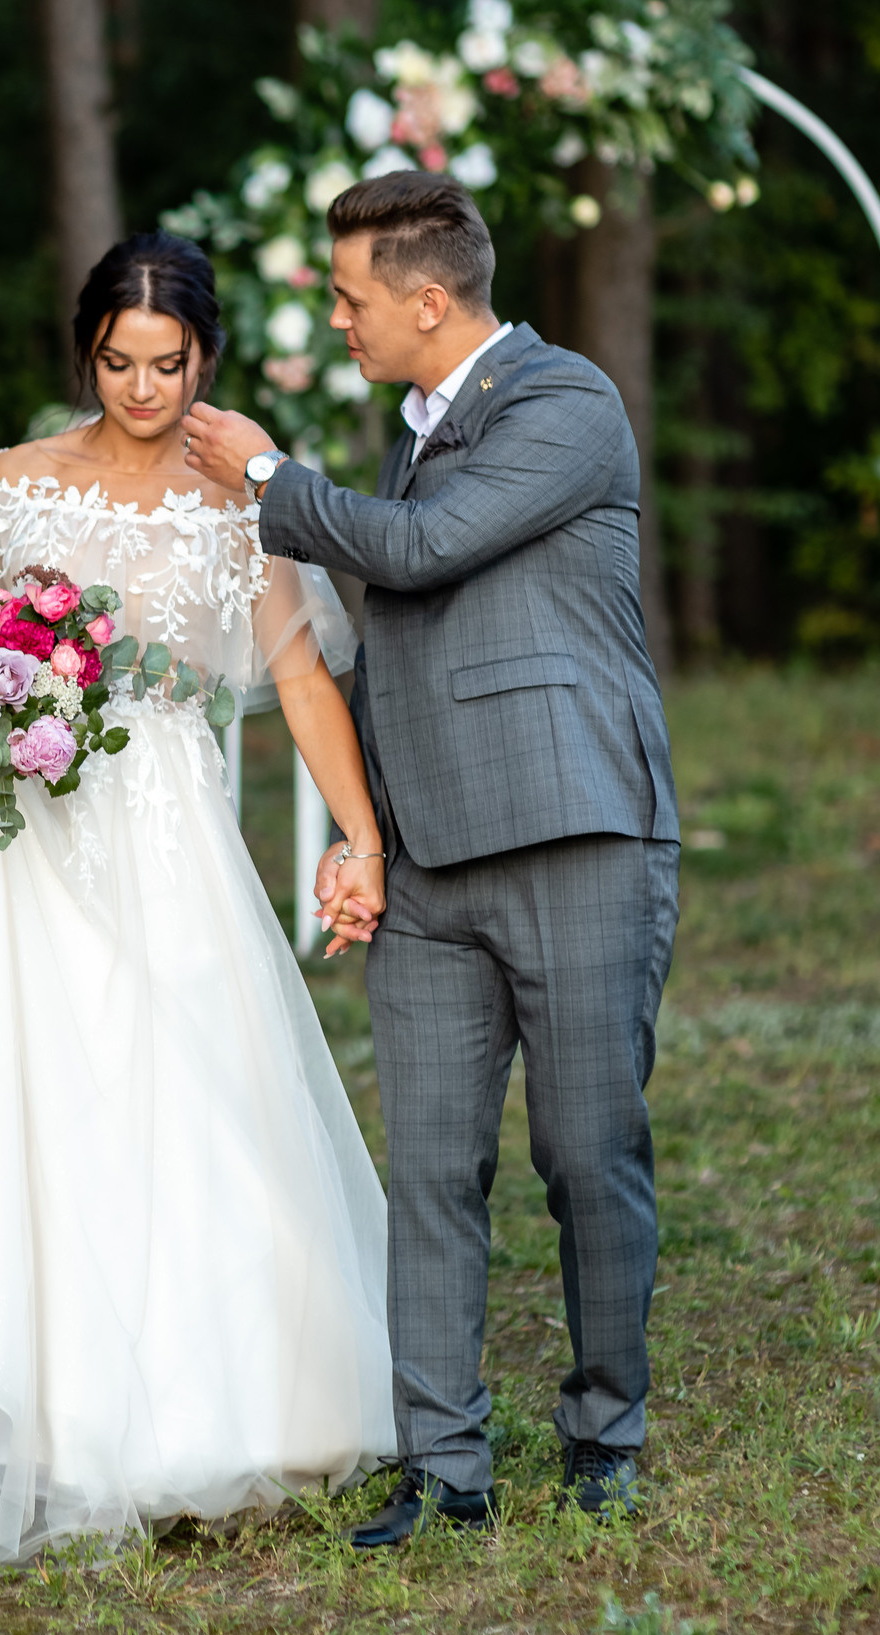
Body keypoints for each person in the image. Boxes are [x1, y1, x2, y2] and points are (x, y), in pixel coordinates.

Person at [0, 232, 395, 1570]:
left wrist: (359, 829)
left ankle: (189, 1408)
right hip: (20, 838)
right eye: (121, 361)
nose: (146, 387)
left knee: (180, 1088)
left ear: (204, 360)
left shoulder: (236, 505)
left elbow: (298, 683)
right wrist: (12, 694)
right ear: (85, 353)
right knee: (31, 1093)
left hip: (166, 834)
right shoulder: (9, 486)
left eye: (170, 363)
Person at [183, 171, 681, 1549]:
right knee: (433, 1171)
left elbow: (422, 553)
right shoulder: (403, 431)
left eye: (349, 296)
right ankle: (445, 1467)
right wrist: (369, 834)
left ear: (426, 297)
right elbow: (400, 646)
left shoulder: (565, 403)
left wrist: (271, 478)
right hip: (431, 863)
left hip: (579, 829)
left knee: (588, 1153)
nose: (336, 317)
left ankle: (605, 1430)